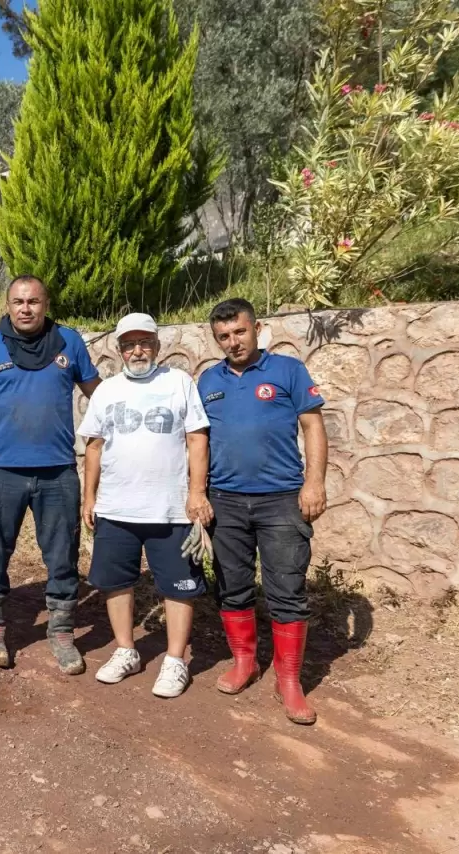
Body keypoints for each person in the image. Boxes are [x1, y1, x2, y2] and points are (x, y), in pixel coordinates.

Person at [0, 275, 101, 674]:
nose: (25, 308)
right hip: (3, 472)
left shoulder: (69, 343)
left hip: (57, 472)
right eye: (18, 301)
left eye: (33, 301)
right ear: (7, 304)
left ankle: (62, 631)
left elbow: (99, 395)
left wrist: (117, 438)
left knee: (62, 554)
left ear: (46, 304)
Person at [198, 298, 328, 725]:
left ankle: (288, 681)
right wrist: (197, 492)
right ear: (215, 339)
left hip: (281, 500)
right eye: (223, 336)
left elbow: (313, 426)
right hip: (226, 500)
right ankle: (245, 663)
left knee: (286, 588)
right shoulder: (208, 381)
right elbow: (197, 442)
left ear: (257, 328)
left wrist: (314, 483)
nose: (233, 342)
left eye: (239, 332)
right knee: (232, 586)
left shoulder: (288, 371)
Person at [78, 313, 212, 698]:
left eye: (144, 343)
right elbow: (95, 446)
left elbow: (197, 439)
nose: (137, 351)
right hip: (116, 507)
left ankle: (174, 660)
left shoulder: (179, 383)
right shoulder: (106, 391)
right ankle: (126, 650)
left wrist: (196, 492)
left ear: (157, 345)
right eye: (129, 345)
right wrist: (89, 497)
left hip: (170, 508)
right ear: (120, 350)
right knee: (116, 582)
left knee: (179, 586)